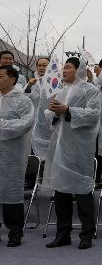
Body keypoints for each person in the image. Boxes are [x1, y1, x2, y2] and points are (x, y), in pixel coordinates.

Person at [42, 57, 101, 250]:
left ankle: (86, 234)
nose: (63, 70)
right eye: (63, 67)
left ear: (79, 69)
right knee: (61, 192)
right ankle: (63, 234)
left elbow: (93, 115)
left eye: (68, 67)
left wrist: (67, 110)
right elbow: (51, 117)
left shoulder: (91, 90)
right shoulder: (61, 90)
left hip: (79, 149)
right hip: (60, 148)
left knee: (82, 191)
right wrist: (53, 112)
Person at [0, 65, 35, 247]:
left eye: (0, 76)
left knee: (12, 193)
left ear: (12, 79)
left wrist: (1, 125)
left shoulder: (22, 101)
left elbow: (25, 124)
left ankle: (15, 232)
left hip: (13, 156)